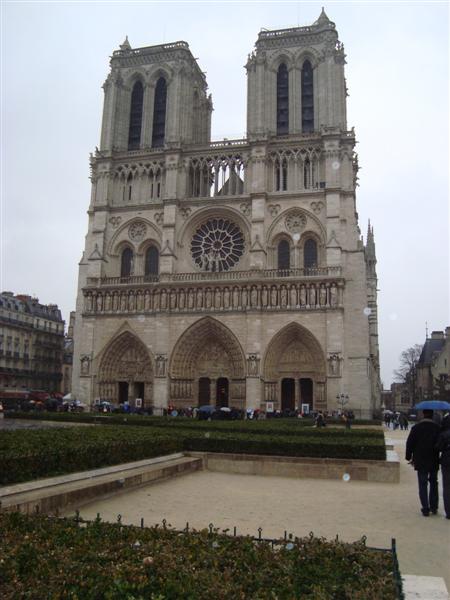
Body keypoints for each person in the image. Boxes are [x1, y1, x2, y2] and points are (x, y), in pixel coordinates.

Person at [405, 409, 441, 516]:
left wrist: (408, 456)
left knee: (422, 483)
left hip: (420, 459)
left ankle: (425, 508)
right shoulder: (437, 428)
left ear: (423, 414)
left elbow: (409, 443)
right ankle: (434, 507)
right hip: (433, 458)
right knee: (434, 482)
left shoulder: (416, 428)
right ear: (432, 415)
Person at [435, 414, 450, 520]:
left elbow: (438, 447)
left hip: (447, 461)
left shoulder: (444, 434)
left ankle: (449, 511)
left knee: (447, 487)